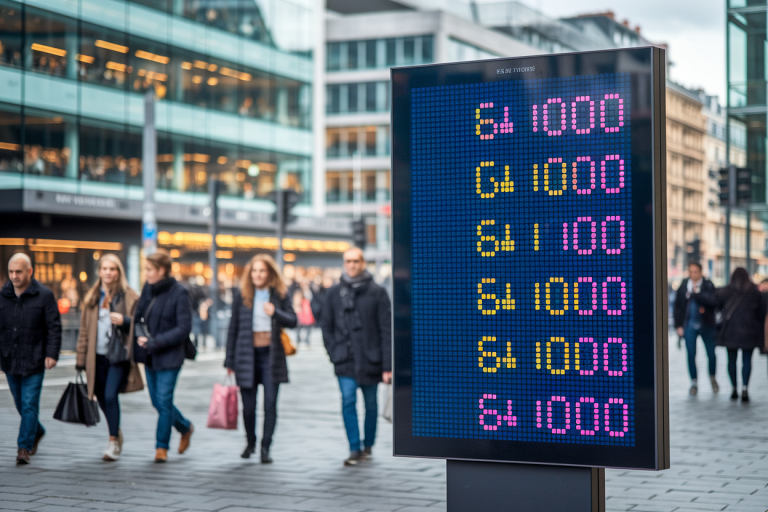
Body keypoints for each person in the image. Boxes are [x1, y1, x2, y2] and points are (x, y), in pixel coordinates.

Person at [321, 248, 391, 466]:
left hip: (371, 360)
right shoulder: (334, 293)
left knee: (371, 405)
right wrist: (333, 352)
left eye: (356, 261)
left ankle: (368, 445)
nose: (352, 265)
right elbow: (326, 326)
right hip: (345, 359)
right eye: (348, 261)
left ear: (363, 263)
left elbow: (386, 330)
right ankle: (354, 447)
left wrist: (387, 366)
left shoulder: (377, 292)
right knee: (348, 400)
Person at [225, 254, 296, 462]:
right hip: (246, 355)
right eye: (254, 271)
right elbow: (233, 328)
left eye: (262, 271)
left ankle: (266, 448)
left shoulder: (279, 294)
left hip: (272, 356)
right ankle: (250, 443)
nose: (257, 275)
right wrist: (229, 360)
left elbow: (293, 320)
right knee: (248, 407)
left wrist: (275, 312)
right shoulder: (242, 295)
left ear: (270, 273)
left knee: (270, 404)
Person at [75, 254, 143, 461]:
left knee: (111, 395)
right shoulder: (93, 297)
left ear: (118, 272)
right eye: (104, 268)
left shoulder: (129, 296)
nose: (108, 272)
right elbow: (84, 331)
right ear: (99, 272)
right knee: (101, 396)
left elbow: (140, 323)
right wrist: (80, 359)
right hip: (96, 357)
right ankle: (115, 430)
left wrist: (124, 321)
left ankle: (113, 441)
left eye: (112, 269)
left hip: (118, 355)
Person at [0, 253, 61, 464]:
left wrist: (51, 354)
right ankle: (38, 430)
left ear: (29, 271)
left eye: (18, 272)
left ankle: (23, 448)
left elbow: (53, 327)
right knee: (20, 405)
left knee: (28, 404)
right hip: (10, 360)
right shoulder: (3, 295)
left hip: (34, 359)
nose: (14, 276)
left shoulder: (45, 295)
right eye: (11, 272)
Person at [133, 252, 193, 462]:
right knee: (157, 402)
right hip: (150, 354)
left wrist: (156, 341)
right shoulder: (148, 289)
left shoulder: (180, 293)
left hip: (171, 356)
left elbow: (183, 328)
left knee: (164, 400)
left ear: (162, 270)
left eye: (149, 269)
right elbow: (138, 316)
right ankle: (185, 427)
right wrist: (140, 334)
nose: (146, 273)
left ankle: (161, 447)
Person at [713, 268, 765, 402]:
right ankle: (745, 389)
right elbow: (761, 314)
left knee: (731, 361)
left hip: (730, 333)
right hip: (750, 332)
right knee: (747, 361)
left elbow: (716, 305)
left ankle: (734, 388)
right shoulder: (754, 292)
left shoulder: (726, 291)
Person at [673, 262, 718, 396]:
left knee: (711, 353)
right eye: (691, 272)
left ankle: (712, 377)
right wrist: (679, 326)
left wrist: (696, 294)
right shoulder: (683, 286)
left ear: (700, 272)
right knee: (691, 354)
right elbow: (678, 307)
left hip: (706, 325)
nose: (693, 275)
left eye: (695, 272)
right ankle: (694, 382)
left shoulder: (708, 285)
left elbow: (713, 302)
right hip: (689, 325)